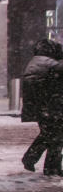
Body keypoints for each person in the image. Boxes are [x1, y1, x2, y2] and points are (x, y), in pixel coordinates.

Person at [21, 38, 63, 176]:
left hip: (40, 107)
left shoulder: (37, 62)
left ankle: (38, 161)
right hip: (50, 107)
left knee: (49, 135)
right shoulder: (51, 65)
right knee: (55, 136)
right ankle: (50, 167)